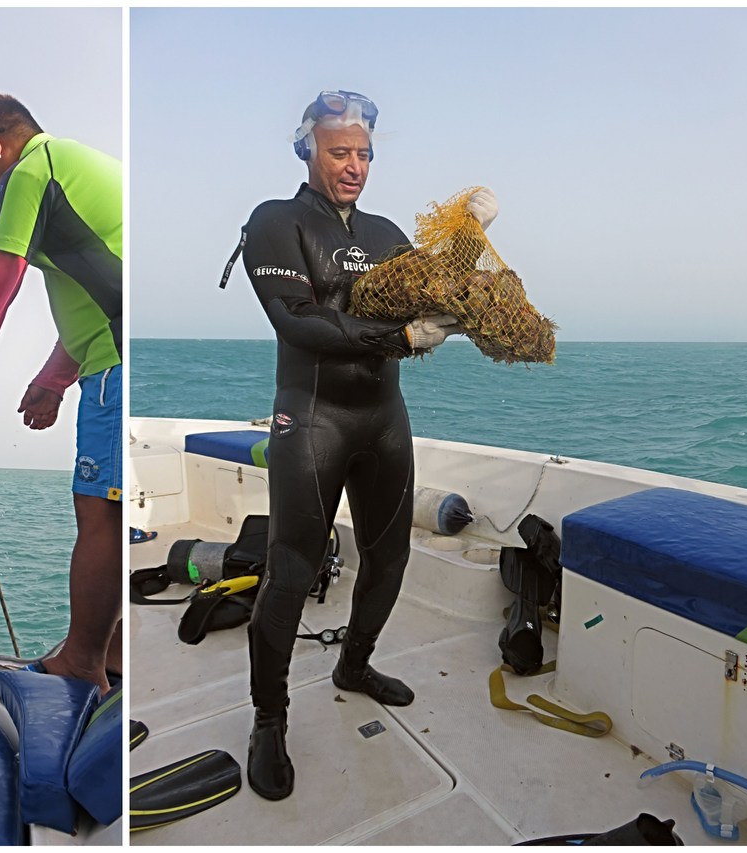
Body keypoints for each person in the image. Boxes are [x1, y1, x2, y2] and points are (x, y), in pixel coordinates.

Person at [234, 91, 499, 800]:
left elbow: (436, 291)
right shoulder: (275, 222)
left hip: (383, 419)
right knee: (291, 569)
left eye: (364, 154)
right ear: (308, 150)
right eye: (339, 151)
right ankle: (269, 718)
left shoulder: (384, 233)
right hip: (311, 418)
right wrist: (399, 338)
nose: (354, 166)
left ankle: (354, 664)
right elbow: (298, 321)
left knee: (390, 555)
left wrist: (470, 237)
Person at [0, 94, 122, 694]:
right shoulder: (71, 164)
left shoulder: (30, 172)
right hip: (108, 360)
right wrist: (54, 379)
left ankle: (84, 661)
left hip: (115, 371)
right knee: (110, 508)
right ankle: (106, 653)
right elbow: (105, 288)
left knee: (100, 513)